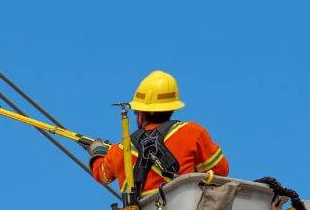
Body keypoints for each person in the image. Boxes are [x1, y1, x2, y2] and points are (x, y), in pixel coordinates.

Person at [88, 70, 229, 199]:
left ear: (140, 113)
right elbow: (221, 170)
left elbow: (101, 174)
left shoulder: (119, 151)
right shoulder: (193, 132)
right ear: (172, 108)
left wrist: (98, 151)